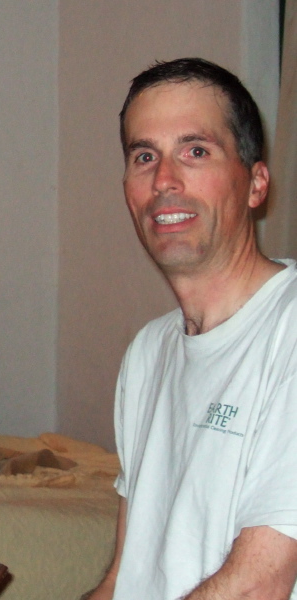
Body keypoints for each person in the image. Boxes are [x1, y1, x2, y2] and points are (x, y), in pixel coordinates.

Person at [84, 58, 297, 600]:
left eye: (195, 151)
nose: (164, 181)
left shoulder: (288, 328)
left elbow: (258, 588)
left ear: (256, 183)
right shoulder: (148, 352)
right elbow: (123, 577)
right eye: (145, 156)